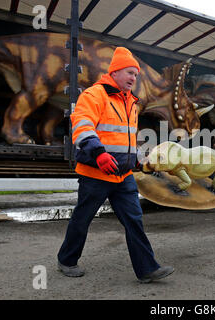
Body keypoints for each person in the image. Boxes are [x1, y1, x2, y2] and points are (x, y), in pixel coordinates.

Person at [57, 47, 174, 283]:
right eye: (130, 73)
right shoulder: (94, 95)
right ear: (116, 71)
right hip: (96, 173)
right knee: (83, 218)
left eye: (136, 75)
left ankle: (147, 269)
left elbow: (127, 137)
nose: (133, 78)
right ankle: (66, 260)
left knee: (134, 220)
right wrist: (98, 153)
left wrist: (138, 158)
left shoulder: (130, 102)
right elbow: (81, 125)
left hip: (123, 175)